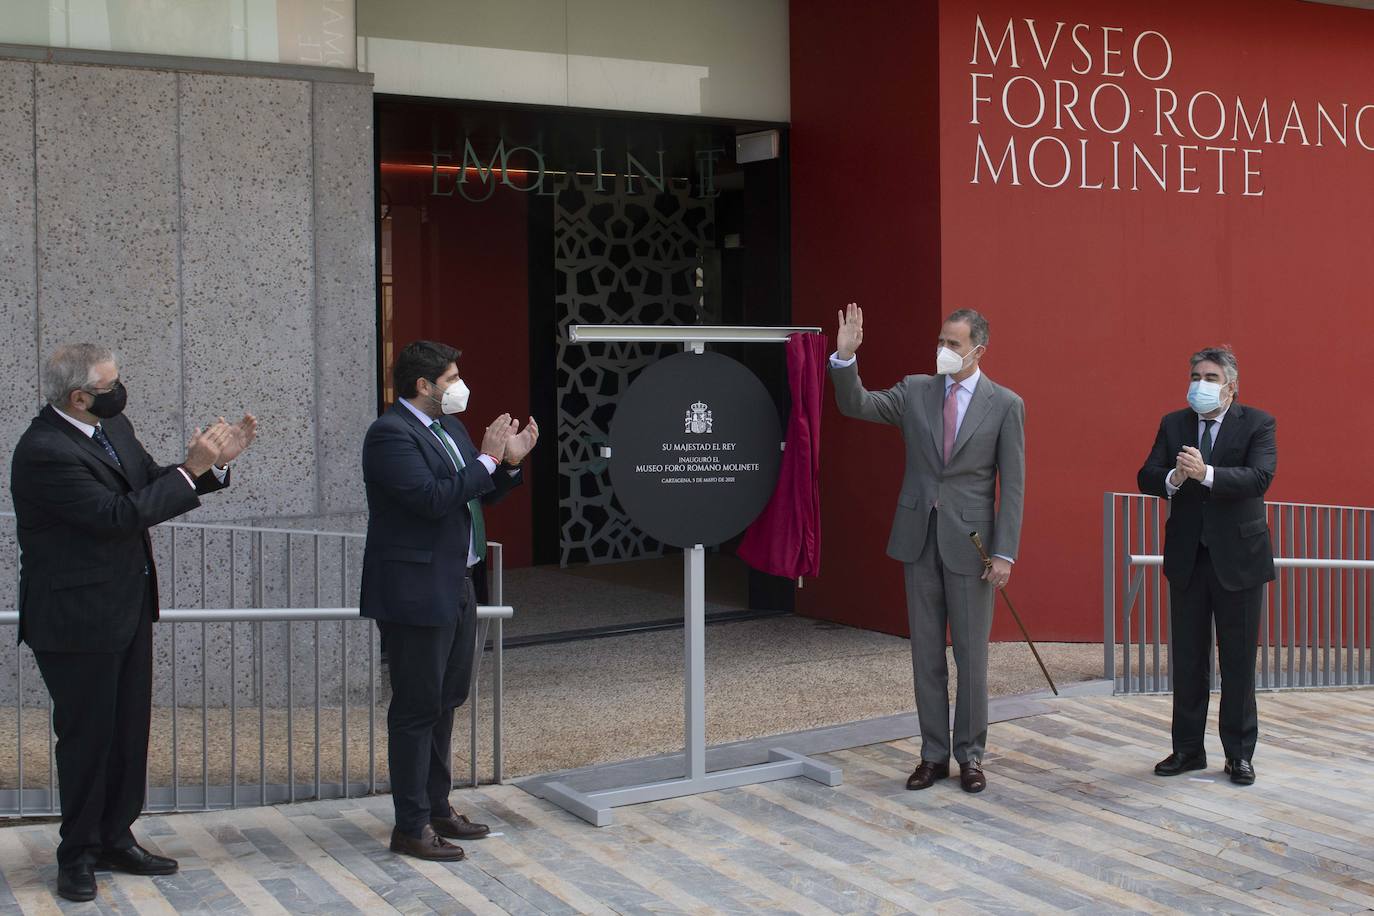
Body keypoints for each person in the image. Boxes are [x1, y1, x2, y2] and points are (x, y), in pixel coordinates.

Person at [9, 343, 256, 903]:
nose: (120, 390)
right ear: (78, 397)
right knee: (87, 739)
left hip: (126, 609)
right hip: (76, 621)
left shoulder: (110, 427)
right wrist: (191, 470)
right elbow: (116, 517)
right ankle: (77, 855)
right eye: (109, 383)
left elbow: (147, 481)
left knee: (126, 734)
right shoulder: (44, 450)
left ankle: (115, 836)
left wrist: (212, 466)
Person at [830, 304, 1024, 793]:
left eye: (953, 344)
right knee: (925, 657)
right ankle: (932, 755)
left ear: (978, 350)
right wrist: (845, 358)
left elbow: (1013, 485)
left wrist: (1005, 553)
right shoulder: (915, 390)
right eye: (940, 340)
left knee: (971, 658)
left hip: (972, 546)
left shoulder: (1005, 404)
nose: (943, 350)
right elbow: (858, 405)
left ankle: (971, 757)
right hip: (918, 540)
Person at [360, 340, 538, 861]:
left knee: (447, 699)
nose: (460, 386)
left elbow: (474, 492)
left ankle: (438, 807)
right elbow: (432, 499)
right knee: (416, 707)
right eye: (451, 377)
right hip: (414, 591)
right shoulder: (390, 434)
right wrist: (486, 457)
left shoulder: (453, 429)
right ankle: (410, 825)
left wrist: (506, 465)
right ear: (424, 386)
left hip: (459, 581)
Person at [1138, 345, 1275, 786]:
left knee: (1237, 661)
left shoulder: (1257, 423)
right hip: (1188, 559)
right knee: (1189, 659)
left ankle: (1238, 754)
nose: (1201, 383)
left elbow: (1259, 479)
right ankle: (1187, 750)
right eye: (1196, 375)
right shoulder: (1174, 423)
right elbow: (1146, 474)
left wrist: (1206, 473)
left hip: (1239, 559)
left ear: (1231, 385)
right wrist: (1174, 479)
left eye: (1211, 377)